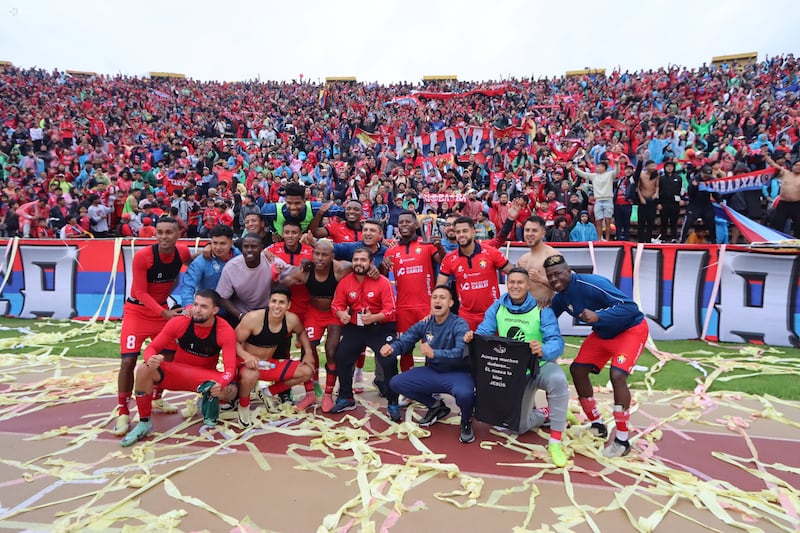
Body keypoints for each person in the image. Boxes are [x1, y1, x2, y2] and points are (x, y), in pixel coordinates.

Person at [120, 289, 259, 446]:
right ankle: (144, 423)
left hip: (203, 380)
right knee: (144, 369)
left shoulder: (224, 330)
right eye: (195, 304)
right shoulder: (180, 322)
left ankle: (205, 401)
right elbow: (152, 348)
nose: (197, 310)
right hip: (177, 374)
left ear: (215, 310)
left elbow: (229, 369)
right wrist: (150, 358)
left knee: (230, 391)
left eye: (204, 306)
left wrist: (222, 383)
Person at [544, 254, 648, 458]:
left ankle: (622, 440)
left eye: (558, 274)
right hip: (603, 334)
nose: (554, 280)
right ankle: (597, 425)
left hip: (631, 330)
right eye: (550, 276)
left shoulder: (592, 283)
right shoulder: (561, 297)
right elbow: (547, 319)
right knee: (577, 369)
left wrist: (600, 316)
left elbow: (630, 307)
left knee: (618, 376)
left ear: (569, 271)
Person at [465, 268, 568, 467]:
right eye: (511, 282)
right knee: (518, 427)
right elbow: (484, 333)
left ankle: (555, 442)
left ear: (528, 285)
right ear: (506, 283)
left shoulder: (542, 308)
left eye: (520, 283)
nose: (515, 286)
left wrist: (543, 349)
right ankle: (547, 413)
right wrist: (473, 338)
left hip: (538, 366)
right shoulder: (497, 307)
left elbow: (557, 342)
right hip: (512, 372)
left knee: (557, 380)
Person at [114, 217, 193, 437]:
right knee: (128, 360)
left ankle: (157, 398)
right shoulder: (143, 257)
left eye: (169, 232)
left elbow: (193, 266)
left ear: (178, 235)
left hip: (160, 312)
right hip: (137, 312)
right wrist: (164, 312)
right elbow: (139, 292)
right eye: (160, 232)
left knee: (169, 357)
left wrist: (206, 256)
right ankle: (122, 411)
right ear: (155, 234)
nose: (164, 237)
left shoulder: (182, 252)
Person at [381, 286, 473, 442]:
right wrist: (392, 348)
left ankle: (466, 420)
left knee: (465, 394)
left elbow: (460, 354)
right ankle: (436, 405)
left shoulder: (459, 324)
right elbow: (406, 339)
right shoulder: (426, 323)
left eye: (442, 297)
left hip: (457, 373)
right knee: (396, 383)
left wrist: (434, 354)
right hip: (433, 372)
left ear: (451, 303)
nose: (437, 300)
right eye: (434, 297)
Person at [280, 239, 353, 409]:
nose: (320, 258)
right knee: (308, 349)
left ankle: (328, 394)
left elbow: (359, 265)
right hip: (314, 313)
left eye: (324, 255)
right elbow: (282, 281)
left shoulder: (340, 268)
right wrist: (285, 273)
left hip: (334, 312)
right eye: (317, 254)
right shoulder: (306, 271)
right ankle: (310, 393)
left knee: (331, 350)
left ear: (332, 256)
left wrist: (371, 267)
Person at [329, 247, 400, 421]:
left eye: (363, 260)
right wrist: (341, 314)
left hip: (380, 327)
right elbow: (336, 305)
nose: (359, 263)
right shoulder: (346, 282)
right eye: (356, 260)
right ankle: (346, 397)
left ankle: (393, 402)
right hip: (356, 327)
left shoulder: (382, 282)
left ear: (371, 262)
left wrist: (374, 317)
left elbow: (391, 310)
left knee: (388, 359)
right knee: (342, 356)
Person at [382, 210, 446, 372]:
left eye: (407, 221)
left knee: (431, 348)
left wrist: (439, 246)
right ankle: (408, 389)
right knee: (405, 349)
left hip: (426, 307)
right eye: (401, 222)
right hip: (403, 308)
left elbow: (444, 262)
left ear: (416, 224)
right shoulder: (391, 251)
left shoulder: (426, 245)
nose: (403, 224)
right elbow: (381, 278)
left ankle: (432, 386)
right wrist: (382, 265)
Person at [236, 285, 317, 411]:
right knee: (245, 380)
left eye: (281, 302)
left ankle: (267, 392)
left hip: (267, 364)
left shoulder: (292, 319)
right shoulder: (253, 318)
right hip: (246, 365)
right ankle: (243, 406)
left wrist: (308, 352)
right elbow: (232, 342)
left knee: (307, 371)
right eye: (274, 301)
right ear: (269, 302)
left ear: (288, 305)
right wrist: (247, 356)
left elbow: (301, 332)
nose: (277, 306)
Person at [436, 216, 515, 330]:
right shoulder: (449, 259)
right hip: (465, 317)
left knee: (493, 348)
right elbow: (440, 288)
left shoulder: (490, 252)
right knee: (467, 348)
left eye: (465, 231)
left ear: (473, 232)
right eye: (458, 232)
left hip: (492, 314)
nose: (461, 235)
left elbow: (514, 273)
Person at [215, 233, 285, 328]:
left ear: (261, 248)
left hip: (270, 313)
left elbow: (296, 274)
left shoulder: (273, 262)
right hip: (241, 315)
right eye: (246, 247)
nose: (249, 250)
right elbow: (223, 297)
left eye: (253, 247)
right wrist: (241, 315)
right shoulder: (231, 267)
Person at [180, 224, 240, 313]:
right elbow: (188, 285)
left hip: (235, 309)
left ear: (231, 243)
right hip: (209, 312)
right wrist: (189, 305)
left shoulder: (239, 256)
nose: (218, 247)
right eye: (215, 243)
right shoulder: (201, 261)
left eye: (222, 243)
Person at [571, 159, 621, 241]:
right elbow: (583, 174)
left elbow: (617, 172)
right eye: (597, 166)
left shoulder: (609, 174)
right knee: (598, 221)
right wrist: (574, 168)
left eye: (599, 166)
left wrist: (617, 164)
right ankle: (599, 239)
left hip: (608, 199)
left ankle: (607, 240)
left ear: (604, 167)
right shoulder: (594, 176)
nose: (597, 168)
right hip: (598, 200)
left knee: (608, 220)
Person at [764, 153, 800, 237]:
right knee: (778, 224)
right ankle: (777, 241)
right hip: (783, 204)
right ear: (792, 166)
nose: (798, 167)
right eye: (796, 165)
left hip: (797, 204)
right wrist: (766, 156)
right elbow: (773, 164)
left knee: (798, 225)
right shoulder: (785, 173)